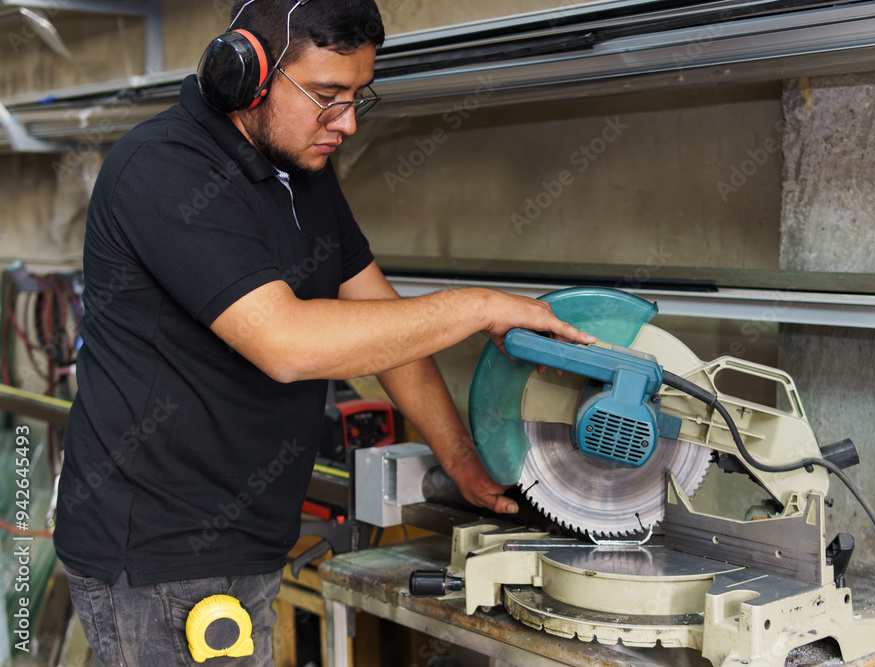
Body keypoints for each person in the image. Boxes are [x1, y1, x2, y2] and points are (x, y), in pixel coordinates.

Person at [52, 0, 594, 664]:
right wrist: (479, 306)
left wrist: (463, 466)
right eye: (329, 96)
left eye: (360, 96)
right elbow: (286, 344)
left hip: (244, 541)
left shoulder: (301, 171)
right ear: (244, 70)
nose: (348, 121)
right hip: (159, 556)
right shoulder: (163, 171)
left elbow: (386, 325)